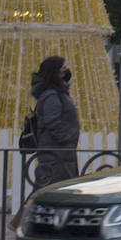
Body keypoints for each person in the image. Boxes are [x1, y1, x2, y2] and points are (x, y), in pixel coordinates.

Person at [30, 55, 80, 186]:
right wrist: (67, 138)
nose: (67, 70)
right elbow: (52, 122)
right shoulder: (52, 95)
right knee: (52, 189)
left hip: (61, 152)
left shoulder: (58, 92)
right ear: (55, 72)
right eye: (64, 68)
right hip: (56, 153)